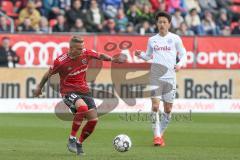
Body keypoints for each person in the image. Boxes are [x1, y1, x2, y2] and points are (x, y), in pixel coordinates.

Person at [33, 35, 124, 156]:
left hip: (84, 90)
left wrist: (112, 59)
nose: (83, 51)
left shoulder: (86, 53)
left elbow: (100, 56)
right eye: (80, 49)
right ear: (71, 48)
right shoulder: (60, 61)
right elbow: (47, 74)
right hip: (68, 91)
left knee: (93, 120)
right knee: (82, 108)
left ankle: (79, 143)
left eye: (83, 48)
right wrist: (39, 87)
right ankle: (71, 138)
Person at [135, 11, 187, 147]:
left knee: (168, 109)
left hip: (170, 76)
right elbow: (148, 56)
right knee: (155, 106)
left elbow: (183, 54)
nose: (162, 24)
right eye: (160, 22)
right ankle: (156, 136)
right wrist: (140, 55)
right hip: (156, 76)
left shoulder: (175, 38)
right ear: (156, 24)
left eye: (164, 22)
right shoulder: (152, 40)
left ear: (169, 24)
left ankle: (160, 134)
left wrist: (180, 64)